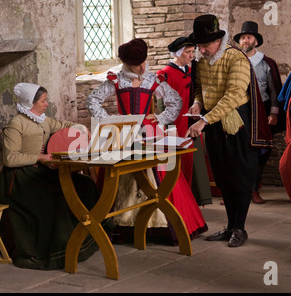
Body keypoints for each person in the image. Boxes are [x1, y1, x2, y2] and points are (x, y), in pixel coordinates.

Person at [87, 38, 207, 244]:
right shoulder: (116, 80)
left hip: (148, 134)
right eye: (137, 65)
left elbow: (175, 102)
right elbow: (92, 100)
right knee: (120, 175)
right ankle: (122, 226)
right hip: (123, 133)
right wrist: (110, 121)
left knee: (159, 173)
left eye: (143, 62)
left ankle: (159, 225)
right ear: (127, 65)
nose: (142, 67)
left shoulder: (152, 80)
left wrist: (159, 119)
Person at [0, 82, 111, 270]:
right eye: (43, 101)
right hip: (20, 178)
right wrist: (41, 157)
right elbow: (10, 158)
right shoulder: (16, 124)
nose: (47, 104)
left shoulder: (43, 119)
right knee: (58, 198)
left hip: (40, 172)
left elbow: (63, 125)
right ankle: (57, 252)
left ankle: (87, 239)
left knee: (85, 185)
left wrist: (80, 129)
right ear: (31, 103)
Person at [185, 14, 272, 247]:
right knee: (223, 178)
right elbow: (200, 88)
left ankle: (240, 229)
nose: (201, 50)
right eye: (199, 45)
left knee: (240, 177)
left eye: (204, 45)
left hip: (237, 124)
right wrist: (197, 103)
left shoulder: (236, 58)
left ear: (217, 41)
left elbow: (234, 95)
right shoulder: (203, 60)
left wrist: (204, 120)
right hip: (213, 122)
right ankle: (230, 226)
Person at [156, 37, 212, 206]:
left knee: (191, 161)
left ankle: (190, 201)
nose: (191, 55)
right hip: (174, 124)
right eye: (187, 52)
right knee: (175, 163)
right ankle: (176, 202)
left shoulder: (191, 71)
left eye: (192, 51)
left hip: (191, 121)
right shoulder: (164, 74)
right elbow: (160, 104)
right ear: (178, 53)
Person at [234, 21, 283, 204]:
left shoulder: (266, 63)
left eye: (249, 37)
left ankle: (254, 189)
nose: (245, 40)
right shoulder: (234, 60)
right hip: (240, 111)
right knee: (239, 151)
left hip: (262, 111)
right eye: (242, 38)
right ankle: (239, 191)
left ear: (256, 41)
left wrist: (274, 113)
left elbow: (274, 90)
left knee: (262, 151)